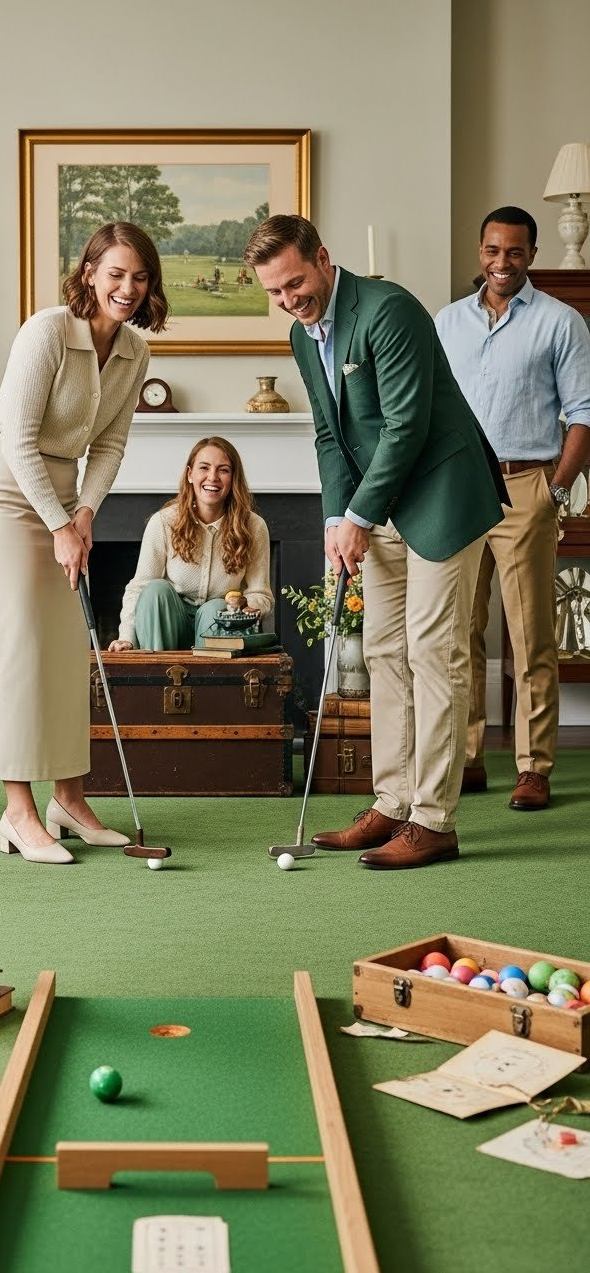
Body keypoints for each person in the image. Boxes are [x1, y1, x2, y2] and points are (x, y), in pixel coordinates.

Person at [244, 214, 508, 870]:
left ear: (324, 258)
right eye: (275, 292)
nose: (289, 300)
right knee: (385, 650)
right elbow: (331, 436)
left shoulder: (388, 311)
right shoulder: (303, 338)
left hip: (442, 494)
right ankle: (392, 801)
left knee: (433, 651)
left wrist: (359, 514)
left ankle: (435, 820)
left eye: (296, 283)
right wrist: (339, 518)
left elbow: (407, 425)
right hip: (378, 505)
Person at [0, 222, 168, 864]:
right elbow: (19, 437)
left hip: (61, 495)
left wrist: (83, 513)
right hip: (4, 489)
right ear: (88, 274)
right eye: (115, 275)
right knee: (19, 644)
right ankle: (18, 812)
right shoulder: (46, 330)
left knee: (65, 648)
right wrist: (58, 523)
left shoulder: (135, 351)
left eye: (139, 277)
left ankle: (69, 799)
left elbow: (109, 445)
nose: (127, 289)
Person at [436, 206, 590, 810]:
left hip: (528, 485)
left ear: (532, 253)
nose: (503, 263)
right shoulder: (447, 323)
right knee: (460, 631)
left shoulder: (561, 322)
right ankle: (469, 756)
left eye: (516, 252)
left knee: (531, 635)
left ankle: (534, 766)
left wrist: (555, 488)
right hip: (459, 488)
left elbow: (583, 412)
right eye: (493, 251)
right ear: (480, 250)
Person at [108, 436, 272, 651]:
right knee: (155, 589)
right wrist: (126, 637)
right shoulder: (164, 522)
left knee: (216, 607)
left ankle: (210, 683)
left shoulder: (253, 526)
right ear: (190, 475)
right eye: (204, 468)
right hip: (169, 623)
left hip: (218, 621)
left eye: (223, 470)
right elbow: (139, 587)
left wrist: (252, 607)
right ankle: (159, 678)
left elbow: (260, 592)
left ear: (234, 478)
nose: (212, 477)